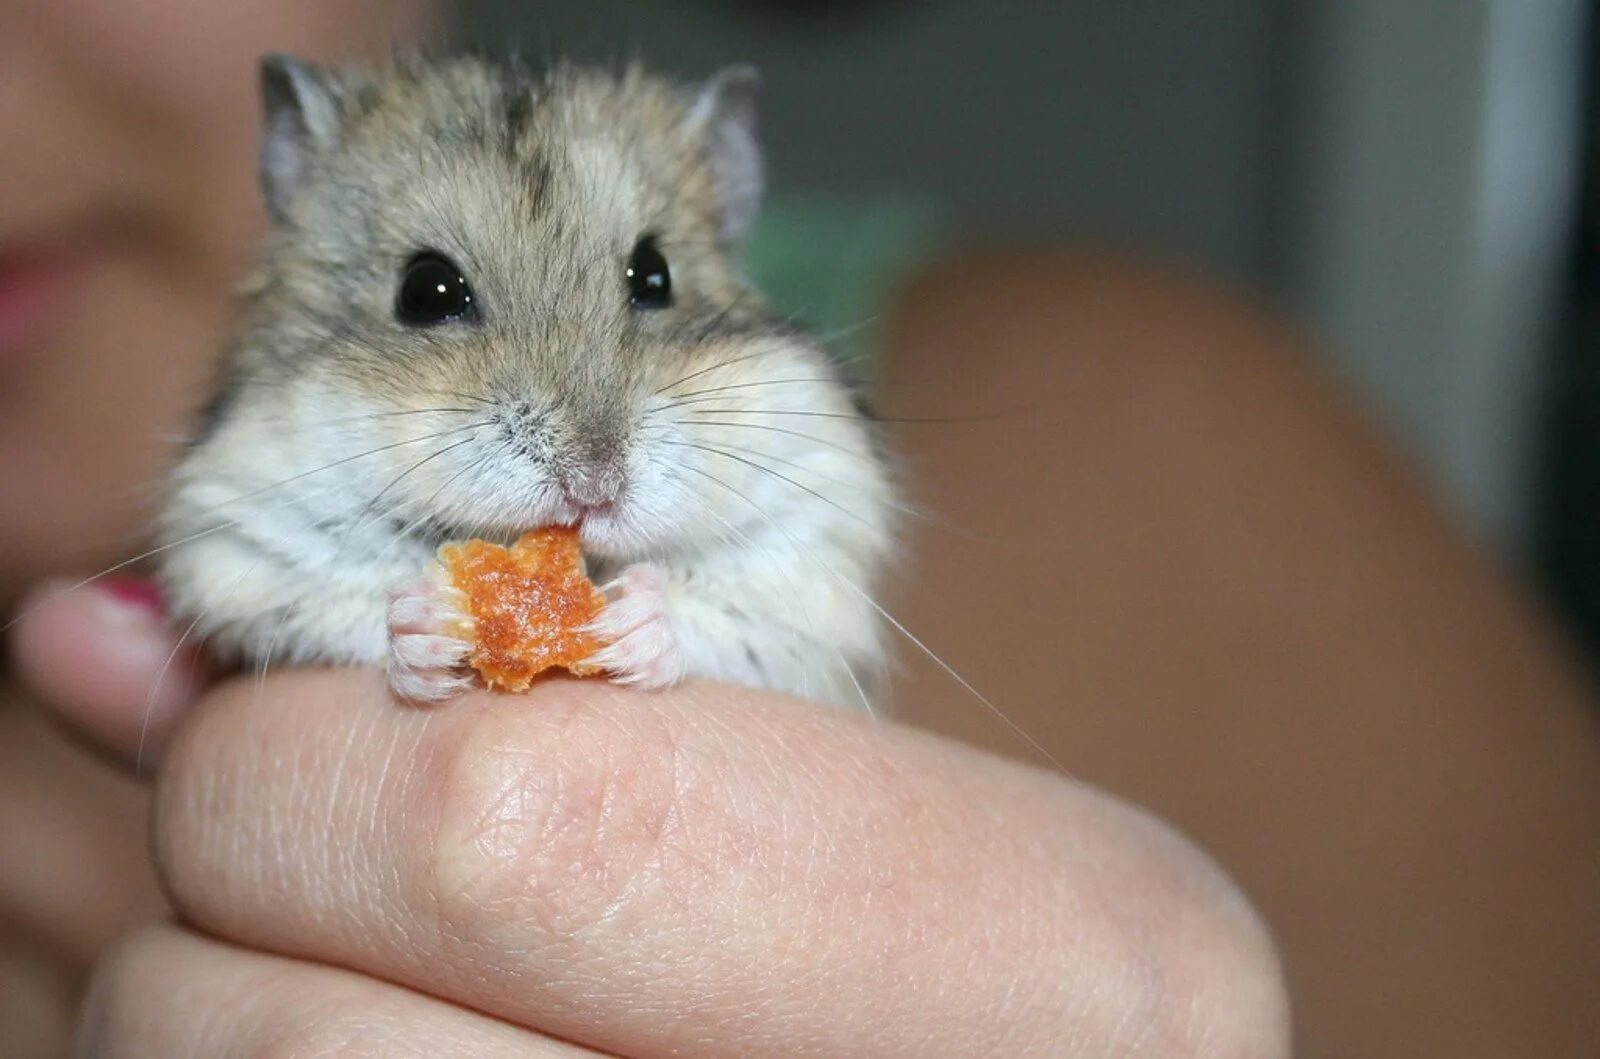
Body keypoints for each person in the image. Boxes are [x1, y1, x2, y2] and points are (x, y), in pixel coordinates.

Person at [0, 2, 1592, 1057]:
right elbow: (240, 563)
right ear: (309, 205)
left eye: (645, 288)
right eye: (438, 297)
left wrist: (680, 629)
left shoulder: (1158, 446)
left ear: (727, 214)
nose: (581, 434)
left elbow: (806, 614)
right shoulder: (258, 462)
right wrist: (372, 618)